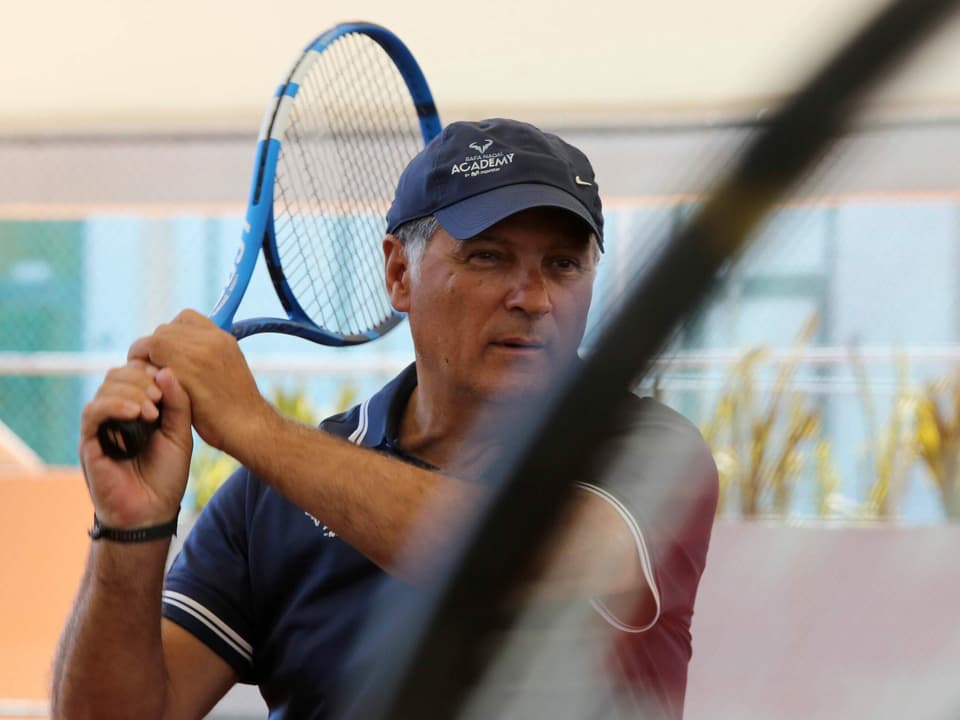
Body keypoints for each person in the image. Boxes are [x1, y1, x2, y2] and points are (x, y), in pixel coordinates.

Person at [52, 118, 718, 719]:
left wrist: (252, 426)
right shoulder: (270, 497)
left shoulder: (652, 451)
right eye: (488, 256)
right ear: (400, 272)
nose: (534, 298)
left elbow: (513, 554)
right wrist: (129, 531)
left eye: (564, 265)